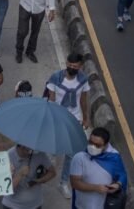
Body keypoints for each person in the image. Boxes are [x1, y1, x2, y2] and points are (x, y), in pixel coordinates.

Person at [47, 53, 92, 197]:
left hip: (74, 119)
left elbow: (83, 100)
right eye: (70, 65)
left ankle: (63, 182)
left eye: (75, 66)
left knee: (72, 153)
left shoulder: (83, 80)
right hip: (58, 117)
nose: (72, 68)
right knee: (54, 147)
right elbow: (51, 99)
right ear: (66, 63)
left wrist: (86, 118)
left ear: (80, 66)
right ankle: (50, 158)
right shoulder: (55, 78)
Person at [69, 127, 127, 209]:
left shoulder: (114, 158)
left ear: (106, 145)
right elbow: (75, 183)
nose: (93, 147)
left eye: (97, 145)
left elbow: (122, 175)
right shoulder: (80, 157)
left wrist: (118, 185)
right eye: (91, 142)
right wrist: (96, 188)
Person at [14, 0, 55, 64]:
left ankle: (30, 51)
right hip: (25, 5)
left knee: (35, 32)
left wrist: (51, 9)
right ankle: (19, 51)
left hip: (39, 8)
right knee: (22, 31)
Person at [4, 142, 57, 209]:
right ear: (21, 145)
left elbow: (52, 172)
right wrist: (20, 174)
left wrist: (37, 181)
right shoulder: (7, 156)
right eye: (28, 149)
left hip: (35, 205)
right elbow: (6, 189)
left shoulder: (39, 154)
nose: (31, 151)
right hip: (12, 205)